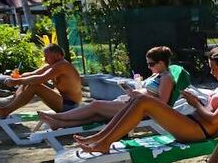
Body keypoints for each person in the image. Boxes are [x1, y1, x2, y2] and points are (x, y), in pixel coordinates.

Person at [74, 47, 218, 154]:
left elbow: (215, 119)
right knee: (139, 100)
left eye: (214, 69)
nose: (211, 73)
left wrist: (195, 103)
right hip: (193, 123)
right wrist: (197, 103)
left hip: (198, 131)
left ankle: (103, 141)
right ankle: (101, 137)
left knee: (143, 101)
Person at [36, 46, 176, 130]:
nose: (149, 67)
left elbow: (162, 103)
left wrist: (139, 96)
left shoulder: (166, 78)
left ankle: (57, 117)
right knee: (96, 116)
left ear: (162, 62)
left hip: (140, 109)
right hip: (132, 102)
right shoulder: (156, 75)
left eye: (151, 64)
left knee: (96, 105)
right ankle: (59, 123)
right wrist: (132, 92)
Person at [0, 43, 82, 118]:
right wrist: (18, 77)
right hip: (64, 103)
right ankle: (10, 103)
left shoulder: (63, 65)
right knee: (28, 81)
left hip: (71, 106)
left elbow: (40, 78)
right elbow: (33, 74)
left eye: (47, 57)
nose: (45, 60)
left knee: (35, 86)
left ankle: (5, 111)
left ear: (58, 56)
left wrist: (17, 81)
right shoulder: (52, 65)